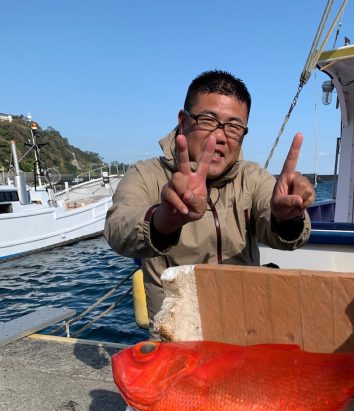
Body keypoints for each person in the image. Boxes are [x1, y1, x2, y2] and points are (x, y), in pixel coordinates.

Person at [104, 70, 316, 327]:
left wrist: (287, 218)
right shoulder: (147, 175)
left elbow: (280, 232)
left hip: (245, 326)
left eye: (234, 127)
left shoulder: (253, 178)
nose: (219, 137)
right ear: (183, 121)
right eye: (207, 120)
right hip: (176, 331)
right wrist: (163, 220)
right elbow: (117, 228)